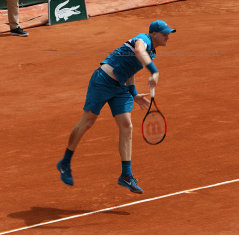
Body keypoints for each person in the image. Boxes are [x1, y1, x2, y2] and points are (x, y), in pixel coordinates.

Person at [57, 20, 176, 194]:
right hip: (102, 81)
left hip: (121, 87)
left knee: (127, 126)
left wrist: (134, 93)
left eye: (168, 33)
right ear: (153, 33)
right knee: (88, 122)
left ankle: (126, 175)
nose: (167, 36)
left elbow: (130, 71)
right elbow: (138, 50)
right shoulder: (143, 39)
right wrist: (154, 71)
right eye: (164, 33)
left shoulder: (152, 53)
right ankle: (65, 162)